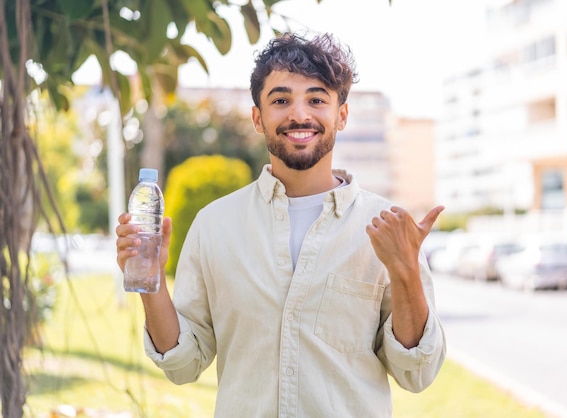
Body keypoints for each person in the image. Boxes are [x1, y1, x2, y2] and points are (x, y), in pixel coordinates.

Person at [116, 32, 446, 417]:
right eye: (281, 100)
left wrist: (405, 272)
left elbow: (415, 373)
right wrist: (149, 282)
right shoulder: (214, 226)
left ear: (341, 114)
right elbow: (184, 363)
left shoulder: (387, 229)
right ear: (258, 117)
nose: (300, 115)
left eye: (317, 99)